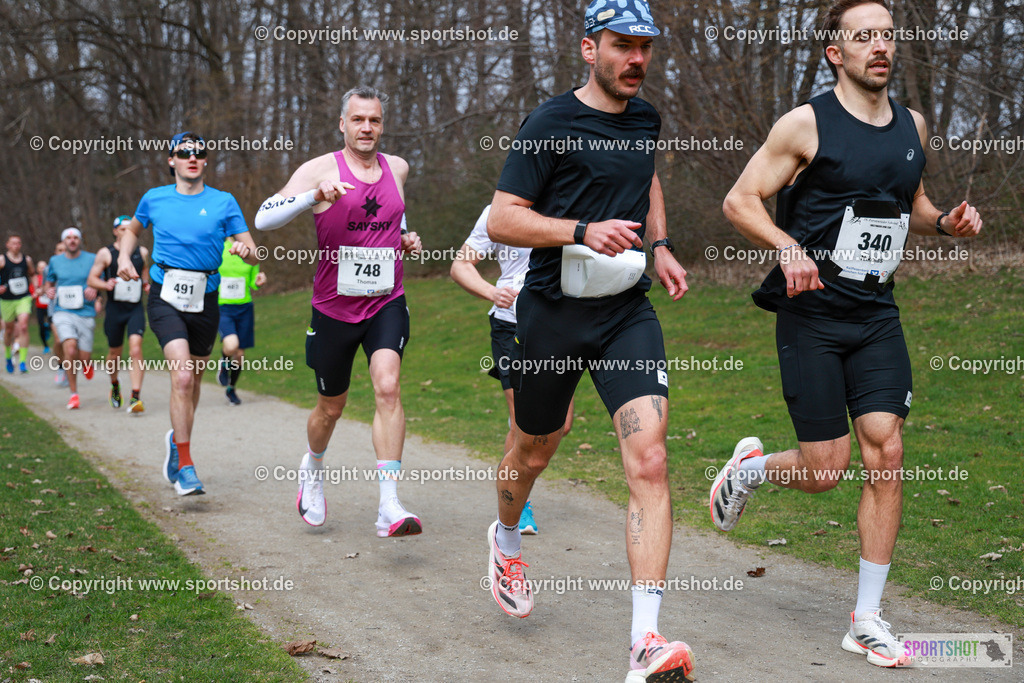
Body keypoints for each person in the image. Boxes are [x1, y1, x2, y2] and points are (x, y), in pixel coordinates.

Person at [714, 0, 982, 669]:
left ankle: (866, 617)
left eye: (887, 36)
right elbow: (739, 200)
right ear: (835, 53)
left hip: (876, 313)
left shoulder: (913, 125)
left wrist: (945, 223)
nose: (879, 47)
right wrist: (786, 246)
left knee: (886, 453)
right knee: (826, 469)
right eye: (863, 38)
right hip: (812, 314)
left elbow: (908, 205)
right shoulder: (805, 124)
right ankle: (750, 470)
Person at [485, 2, 694, 680]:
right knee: (534, 445)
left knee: (651, 459)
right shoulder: (550, 123)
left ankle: (645, 641)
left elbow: (648, 176)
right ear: (588, 48)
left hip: (625, 313)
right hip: (552, 313)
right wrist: (580, 231)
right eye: (622, 46)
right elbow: (503, 219)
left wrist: (658, 243)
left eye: (645, 48)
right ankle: (507, 536)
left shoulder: (646, 119)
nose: (636, 59)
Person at [254, 86, 424, 537]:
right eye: (358, 120)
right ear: (343, 124)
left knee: (388, 386)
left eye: (374, 120)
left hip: (386, 299)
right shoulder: (320, 168)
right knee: (331, 408)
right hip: (334, 308)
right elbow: (263, 217)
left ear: (382, 124)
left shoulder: (398, 168)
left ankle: (389, 504)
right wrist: (313, 196)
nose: (366, 128)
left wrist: (405, 237)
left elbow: (394, 215)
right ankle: (312, 466)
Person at [117, 131, 258, 496]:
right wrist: (122, 256)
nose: (192, 157)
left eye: (199, 153)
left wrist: (246, 253)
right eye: (184, 152)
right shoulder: (154, 198)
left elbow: (252, 249)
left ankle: (178, 445)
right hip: (165, 295)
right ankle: (187, 466)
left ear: (206, 160)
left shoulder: (224, 202)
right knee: (181, 378)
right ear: (172, 160)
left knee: (193, 382)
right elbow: (132, 231)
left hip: (206, 299)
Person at [450, 204, 575, 535]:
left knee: (559, 426)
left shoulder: (569, 204)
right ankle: (518, 505)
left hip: (561, 325)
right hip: (512, 325)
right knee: (524, 422)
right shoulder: (498, 211)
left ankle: (515, 480)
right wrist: (492, 292)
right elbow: (461, 264)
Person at [88, 215, 149, 414]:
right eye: (122, 229)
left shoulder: (142, 252)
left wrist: (147, 284)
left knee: (136, 348)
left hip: (135, 308)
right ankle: (114, 384)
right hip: (115, 310)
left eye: (129, 228)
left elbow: (145, 272)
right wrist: (105, 284)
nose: (126, 232)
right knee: (114, 353)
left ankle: (135, 396)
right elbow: (91, 279)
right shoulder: (106, 253)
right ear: (115, 231)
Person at [44, 228, 97, 409]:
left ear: (80, 240)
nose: (72, 240)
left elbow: (99, 279)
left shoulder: (91, 259)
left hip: (86, 312)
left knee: (83, 356)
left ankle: (87, 363)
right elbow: (49, 282)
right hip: (62, 311)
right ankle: (74, 394)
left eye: (75, 237)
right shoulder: (55, 261)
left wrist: (95, 289)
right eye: (68, 238)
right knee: (70, 348)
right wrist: (48, 290)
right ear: (63, 241)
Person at [216, 236, 267, 405]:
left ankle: (231, 388)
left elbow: (253, 281)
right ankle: (224, 363)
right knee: (231, 345)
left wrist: (258, 282)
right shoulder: (218, 247)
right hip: (223, 307)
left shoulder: (251, 253)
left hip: (244, 307)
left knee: (240, 354)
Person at [0, 234, 36, 373]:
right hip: (7, 299)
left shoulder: (27, 260)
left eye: (18, 243)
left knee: (23, 325)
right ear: (7, 245)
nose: (16, 245)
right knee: (9, 330)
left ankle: (22, 362)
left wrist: (36, 287)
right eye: (13, 243)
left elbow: (32, 274)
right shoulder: (2, 259)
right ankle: (8, 356)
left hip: (23, 297)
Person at [33, 259, 52, 354]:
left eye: (44, 266)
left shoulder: (51, 277)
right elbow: (33, 292)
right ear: (37, 269)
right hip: (40, 306)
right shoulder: (36, 279)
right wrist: (35, 293)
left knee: (52, 325)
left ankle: (47, 328)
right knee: (40, 326)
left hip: (50, 306)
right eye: (40, 267)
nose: (43, 269)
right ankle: (45, 345)